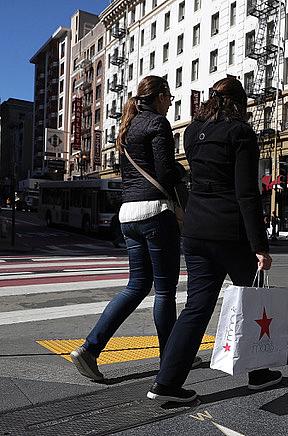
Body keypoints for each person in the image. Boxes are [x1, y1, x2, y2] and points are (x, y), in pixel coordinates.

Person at [147, 77, 280, 403]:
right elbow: (247, 193)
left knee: (196, 307)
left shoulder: (192, 133)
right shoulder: (241, 133)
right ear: (240, 102)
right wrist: (260, 246)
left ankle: (166, 382)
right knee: (254, 301)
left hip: (195, 230)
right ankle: (259, 374)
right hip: (231, 232)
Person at [70, 76, 184, 381]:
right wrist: (182, 172)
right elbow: (164, 171)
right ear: (159, 97)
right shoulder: (158, 124)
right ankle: (169, 363)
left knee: (136, 286)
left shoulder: (128, 126)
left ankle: (90, 348)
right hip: (155, 212)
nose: (171, 102)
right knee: (165, 291)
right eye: (169, 96)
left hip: (128, 214)